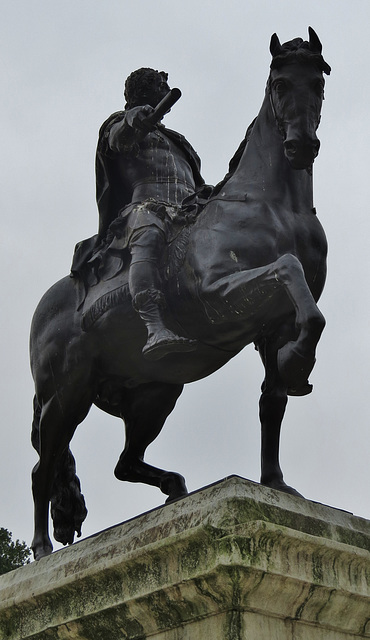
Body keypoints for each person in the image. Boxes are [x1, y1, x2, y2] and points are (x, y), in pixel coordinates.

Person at [73, 68, 209, 360]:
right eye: (162, 85)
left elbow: (195, 179)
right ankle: (154, 326)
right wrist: (136, 119)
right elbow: (119, 139)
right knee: (148, 232)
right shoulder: (119, 124)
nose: (166, 89)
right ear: (145, 89)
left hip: (189, 209)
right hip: (147, 205)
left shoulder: (178, 141)